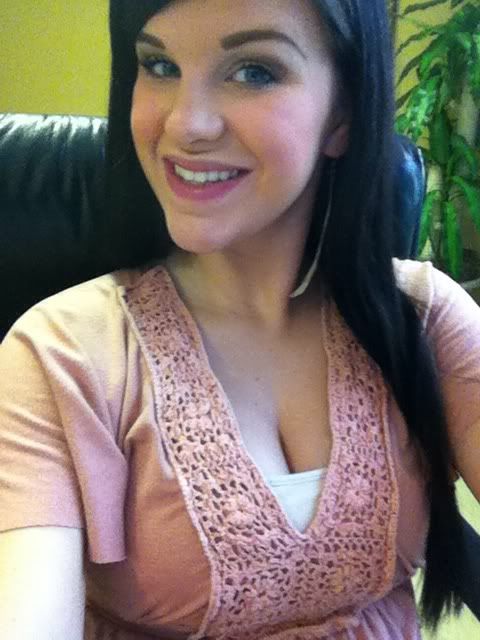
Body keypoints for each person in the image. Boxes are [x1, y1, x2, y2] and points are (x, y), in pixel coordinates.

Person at [0, 0, 479, 638]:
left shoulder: (425, 317)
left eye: (254, 71)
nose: (186, 124)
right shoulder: (59, 356)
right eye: (159, 65)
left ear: (341, 116)